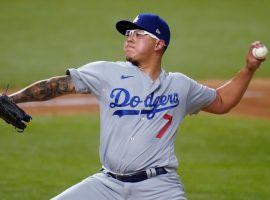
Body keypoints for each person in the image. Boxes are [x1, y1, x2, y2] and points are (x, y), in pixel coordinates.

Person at [9, 13, 265, 200]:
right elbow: (55, 85)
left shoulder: (180, 86)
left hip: (159, 187)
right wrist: (11, 100)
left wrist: (249, 68)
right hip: (106, 185)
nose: (129, 38)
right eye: (128, 34)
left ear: (159, 44)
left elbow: (221, 102)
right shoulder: (106, 72)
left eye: (139, 33)